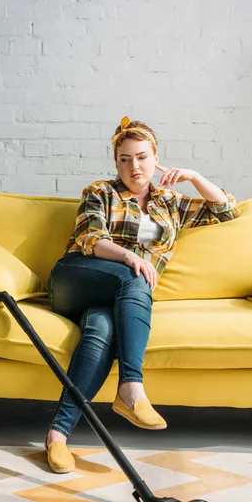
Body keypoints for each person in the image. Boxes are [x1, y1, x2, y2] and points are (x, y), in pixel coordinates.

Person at [45, 116, 240, 474]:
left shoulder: (171, 204)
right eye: (124, 159)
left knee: (100, 331)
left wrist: (193, 177)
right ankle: (132, 388)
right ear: (115, 161)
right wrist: (130, 256)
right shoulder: (100, 192)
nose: (134, 166)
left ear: (156, 158)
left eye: (142, 157)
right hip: (75, 278)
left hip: (118, 296)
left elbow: (227, 210)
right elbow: (90, 240)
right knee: (136, 278)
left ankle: (57, 436)